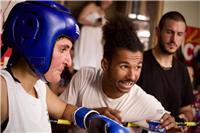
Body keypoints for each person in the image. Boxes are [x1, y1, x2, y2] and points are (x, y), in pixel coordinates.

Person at [0, 1, 129, 133]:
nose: (68, 62)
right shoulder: (3, 90)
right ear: (38, 44)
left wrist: (94, 118)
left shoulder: (38, 87)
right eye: (63, 49)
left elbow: (64, 109)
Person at [60, 15, 179, 133]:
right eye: (124, 66)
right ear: (105, 64)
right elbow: (54, 119)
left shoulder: (142, 101)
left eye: (138, 67)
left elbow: (171, 127)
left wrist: (171, 126)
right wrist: (92, 115)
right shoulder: (84, 77)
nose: (132, 76)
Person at [137, 11, 194, 127]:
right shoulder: (138, 62)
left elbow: (186, 109)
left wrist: (182, 120)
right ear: (158, 31)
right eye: (169, 32)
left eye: (179, 34)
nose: (174, 39)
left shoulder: (183, 70)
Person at [73, 1, 112, 70]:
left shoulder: (102, 10)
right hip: (88, 34)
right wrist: (93, 24)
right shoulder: (91, 6)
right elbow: (80, 19)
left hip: (96, 36)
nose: (109, 2)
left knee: (95, 56)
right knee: (86, 54)